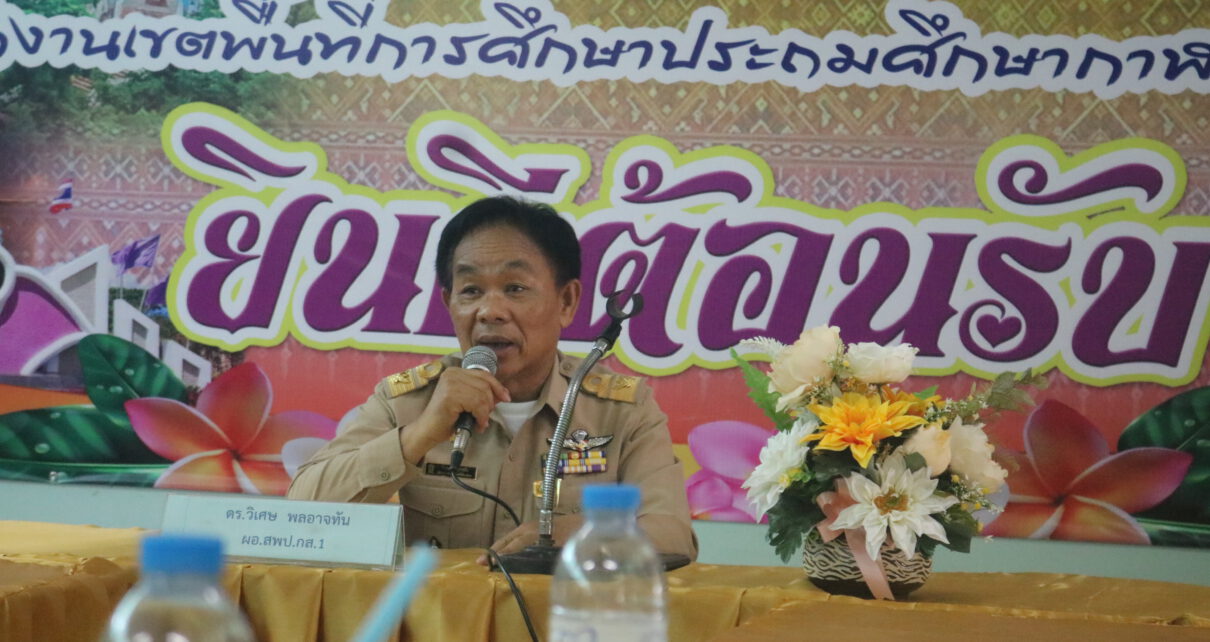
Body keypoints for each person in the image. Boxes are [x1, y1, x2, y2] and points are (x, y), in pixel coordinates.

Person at [287, 195, 698, 563]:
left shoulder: (621, 411)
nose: (490, 311)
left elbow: (674, 536)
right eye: (471, 291)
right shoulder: (408, 402)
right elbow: (300, 513)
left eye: (515, 288)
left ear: (567, 301)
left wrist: (576, 535)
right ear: (449, 302)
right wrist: (419, 435)